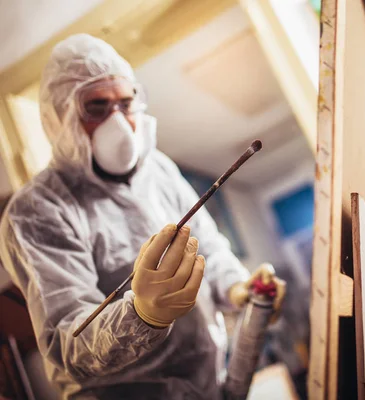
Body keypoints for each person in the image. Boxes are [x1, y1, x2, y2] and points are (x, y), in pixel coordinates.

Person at [0, 34, 285, 400]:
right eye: (97, 107)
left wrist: (238, 288)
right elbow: (69, 343)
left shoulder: (159, 170)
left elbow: (208, 248)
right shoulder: (36, 211)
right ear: (60, 118)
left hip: (207, 386)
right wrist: (142, 316)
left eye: (125, 103)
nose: (118, 121)